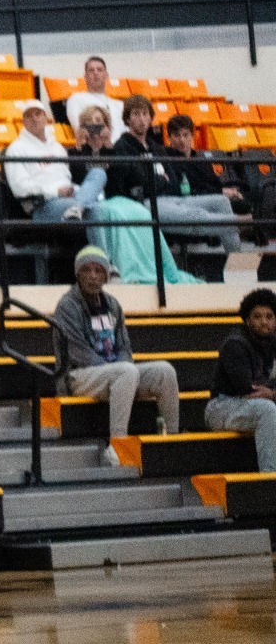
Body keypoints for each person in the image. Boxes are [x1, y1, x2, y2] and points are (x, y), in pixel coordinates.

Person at [53, 246, 180, 438]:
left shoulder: (112, 304)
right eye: (87, 270)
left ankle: (172, 438)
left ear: (106, 276)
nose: (93, 276)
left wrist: (123, 370)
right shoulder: (67, 306)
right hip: (78, 376)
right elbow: (77, 353)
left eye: (98, 270)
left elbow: (123, 346)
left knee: (165, 372)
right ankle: (118, 444)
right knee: (126, 371)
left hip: (116, 373)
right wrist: (119, 370)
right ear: (78, 275)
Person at [206, 288, 276, 472]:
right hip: (222, 406)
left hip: (251, 404)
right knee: (267, 409)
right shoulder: (235, 344)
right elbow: (247, 389)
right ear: (247, 320)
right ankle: (270, 476)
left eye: (269, 316)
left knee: (268, 405)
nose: (264, 322)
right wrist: (272, 391)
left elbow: (260, 389)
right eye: (257, 317)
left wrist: (270, 392)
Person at [154, 113, 249, 245]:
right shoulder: (168, 159)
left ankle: (236, 256)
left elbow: (213, 183)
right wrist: (222, 192)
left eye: (185, 135)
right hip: (185, 200)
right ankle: (236, 259)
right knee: (222, 201)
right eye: (177, 135)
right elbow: (188, 187)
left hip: (208, 195)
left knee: (241, 202)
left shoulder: (200, 159)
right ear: (169, 138)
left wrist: (227, 191)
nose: (182, 140)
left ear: (192, 136)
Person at [4, 101, 105, 222]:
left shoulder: (57, 147)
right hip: (44, 205)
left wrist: (71, 189)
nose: (34, 118)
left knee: (98, 172)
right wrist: (56, 192)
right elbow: (20, 188)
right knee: (95, 210)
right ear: (23, 122)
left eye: (38, 114)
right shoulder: (16, 149)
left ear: (46, 118)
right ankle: (80, 206)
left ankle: (79, 206)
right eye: (28, 116)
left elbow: (68, 177)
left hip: (72, 196)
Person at [64, 56, 124, 141]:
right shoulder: (76, 99)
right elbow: (80, 130)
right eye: (91, 70)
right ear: (85, 76)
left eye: (99, 70)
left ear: (106, 75)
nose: (95, 73)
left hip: (124, 150)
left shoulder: (119, 105)